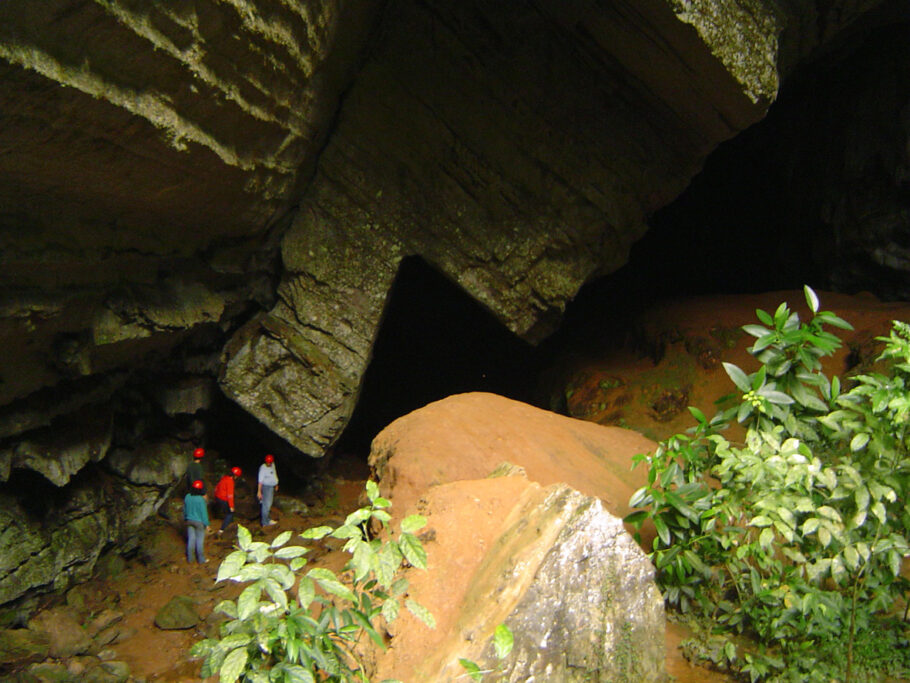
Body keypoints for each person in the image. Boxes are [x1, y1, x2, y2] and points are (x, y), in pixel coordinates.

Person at [183, 479, 209, 564]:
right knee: (199, 541)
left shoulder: (187, 496)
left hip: (189, 520)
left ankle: (190, 559)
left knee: (191, 539)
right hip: (199, 522)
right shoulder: (200, 499)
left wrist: (185, 518)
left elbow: (184, 509)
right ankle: (201, 560)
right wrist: (207, 524)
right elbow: (203, 513)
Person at [214, 466, 242, 534]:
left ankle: (230, 524)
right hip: (223, 499)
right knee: (230, 513)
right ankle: (222, 530)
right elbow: (230, 495)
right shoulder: (230, 482)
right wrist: (231, 506)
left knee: (228, 512)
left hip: (218, 497)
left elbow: (216, 487)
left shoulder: (224, 478)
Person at [257, 454, 279, 527]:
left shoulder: (273, 465)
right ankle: (265, 522)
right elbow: (260, 481)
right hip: (266, 487)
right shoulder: (263, 468)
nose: (269, 464)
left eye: (270, 462)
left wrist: (276, 484)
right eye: (268, 462)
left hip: (271, 487)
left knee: (269, 504)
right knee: (266, 505)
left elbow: (274, 474)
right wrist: (259, 491)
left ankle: (268, 519)